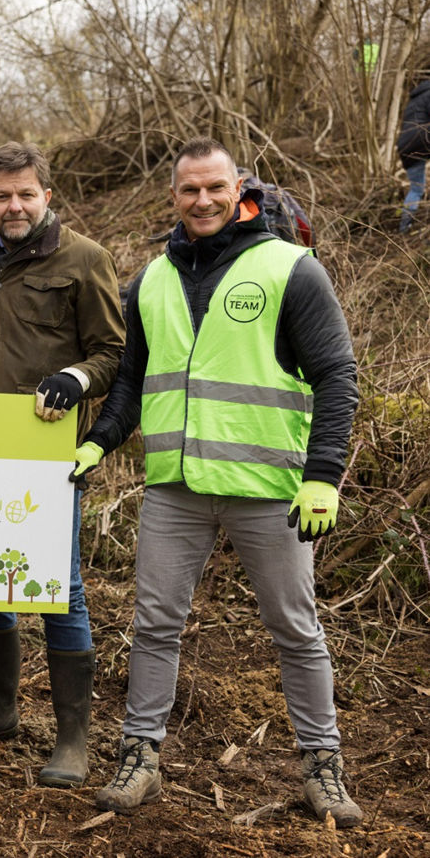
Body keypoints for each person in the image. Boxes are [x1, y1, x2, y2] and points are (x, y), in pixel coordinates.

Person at [78, 137, 362, 827]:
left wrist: (323, 475)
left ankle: (322, 766)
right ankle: (139, 757)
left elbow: (337, 375)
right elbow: (133, 386)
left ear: (239, 190)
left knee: (295, 629)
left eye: (214, 188)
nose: (201, 201)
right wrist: (98, 441)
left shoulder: (290, 268)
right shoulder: (152, 280)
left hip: (270, 487)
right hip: (175, 487)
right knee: (154, 625)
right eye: (188, 190)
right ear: (173, 197)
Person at [0, 141, 125, 788]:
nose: (13, 206)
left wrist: (76, 377)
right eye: (1, 196)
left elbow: (111, 352)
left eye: (25, 193)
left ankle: (74, 739)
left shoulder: (85, 259)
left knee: (59, 587)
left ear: (48, 194)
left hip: (46, 458)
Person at [397, 74, 430, 233]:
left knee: (416, 189)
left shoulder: (412, 100)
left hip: (405, 146)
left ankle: (405, 226)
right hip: (423, 138)